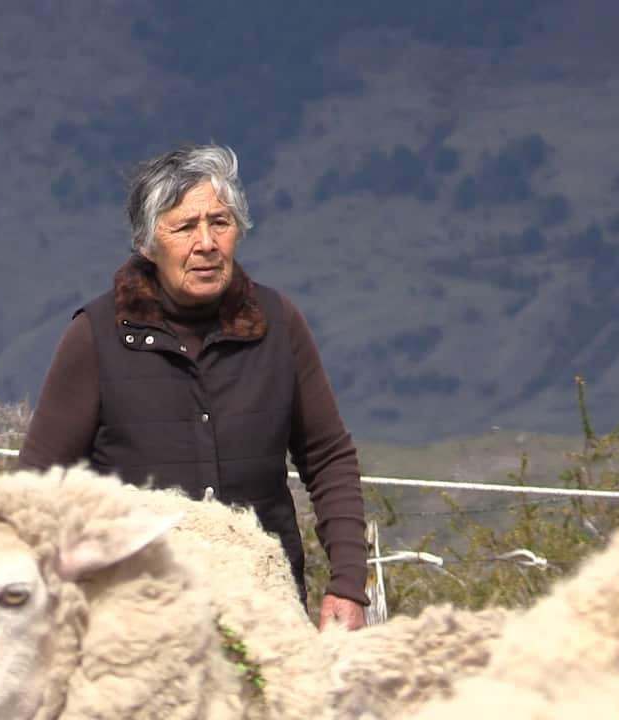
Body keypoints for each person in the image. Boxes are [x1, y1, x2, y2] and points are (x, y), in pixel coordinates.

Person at [18, 144, 369, 630]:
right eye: (184, 227)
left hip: (263, 605)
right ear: (148, 244)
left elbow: (328, 457)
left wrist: (349, 584)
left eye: (219, 223)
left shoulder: (279, 324)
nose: (206, 243)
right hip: (133, 612)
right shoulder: (95, 336)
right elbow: (37, 485)